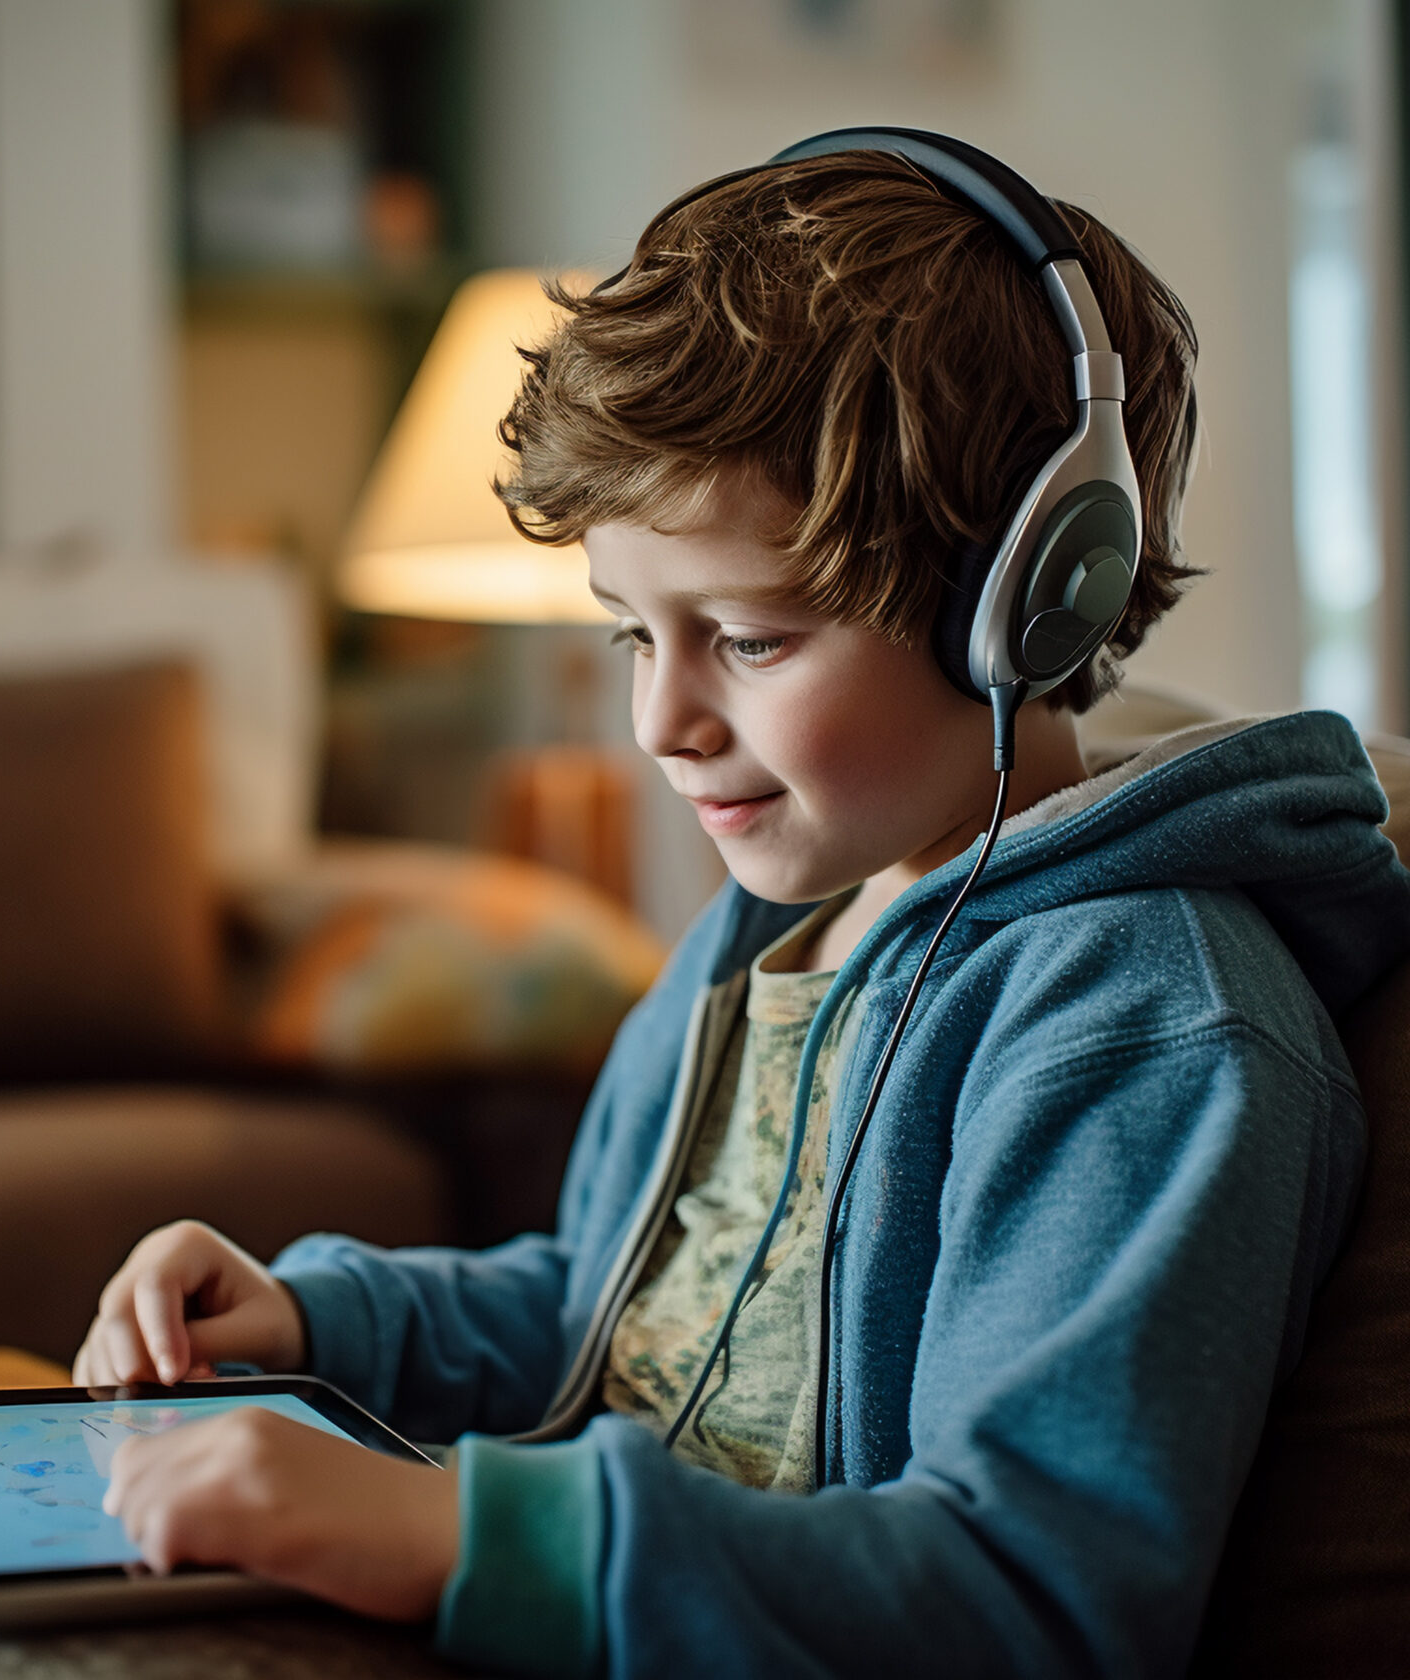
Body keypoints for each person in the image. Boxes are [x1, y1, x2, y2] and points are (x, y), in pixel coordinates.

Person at [74, 139, 1410, 1677]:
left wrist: (454, 1535)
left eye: (750, 640)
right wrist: (322, 1327)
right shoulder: (779, 929)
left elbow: (1031, 1601)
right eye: (635, 633)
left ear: (1036, 599)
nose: (660, 720)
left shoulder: (1141, 1023)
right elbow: (615, 1316)